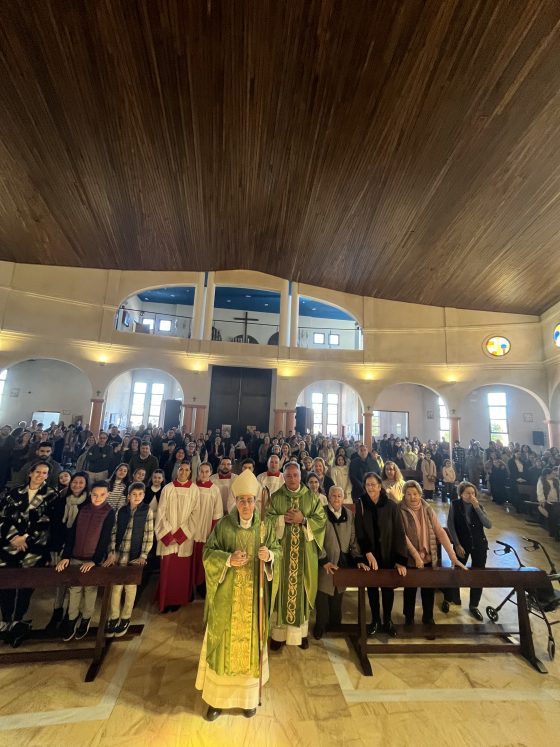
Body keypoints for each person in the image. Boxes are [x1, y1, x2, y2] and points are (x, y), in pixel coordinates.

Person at [195, 468, 280, 721]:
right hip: (226, 602)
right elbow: (208, 554)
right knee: (222, 647)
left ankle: (248, 699)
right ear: (236, 501)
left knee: (250, 649)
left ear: (256, 502)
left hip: (253, 603)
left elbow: (277, 551)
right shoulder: (224, 526)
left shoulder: (264, 528)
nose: (246, 505)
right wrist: (228, 560)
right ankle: (216, 701)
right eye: (241, 500)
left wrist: (270, 557)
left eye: (250, 500)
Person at [265, 462, 326, 649]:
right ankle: (278, 636)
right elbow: (266, 520)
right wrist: (280, 519)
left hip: (304, 556)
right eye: (288, 475)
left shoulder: (311, 498)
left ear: (301, 476)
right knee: (281, 591)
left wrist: (303, 520)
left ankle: (300, 635)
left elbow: (321, 521)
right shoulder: (275, 498)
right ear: (283, 477)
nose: (292, 479)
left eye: (295, 475)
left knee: (302, 591)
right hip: (281, 555)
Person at [0, 461, 57, 645]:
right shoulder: (15, 492)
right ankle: (6, 620)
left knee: (25, 586)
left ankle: (18, 620)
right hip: (9, 545)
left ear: (48, 476)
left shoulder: (51, 495)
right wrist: (13, 537)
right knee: (7, 583)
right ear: (31, 473)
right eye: (38, 472)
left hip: (33, 547)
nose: (41, 475)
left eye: (45, 473)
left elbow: (47, 522)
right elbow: (3, 516)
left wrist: (25, 538)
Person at [399, 480, 466, 625]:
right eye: (408, 494)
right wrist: (416, 556)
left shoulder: (427, 508)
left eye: (415, 494)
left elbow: (440, 532)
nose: (412, 497)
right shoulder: (400, 509)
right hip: (410, 558)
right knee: (410, 588)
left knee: (428, 588)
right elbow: (402, 536)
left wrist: (452, 556)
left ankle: (428, 617)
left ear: (420, 494)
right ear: (404, 495)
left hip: (429, 556)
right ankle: (409, 618)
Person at [56, 481, 115, 641]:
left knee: (90, 590)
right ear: (90, 494)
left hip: (92, 560)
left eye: (102, 495)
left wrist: (95, 561)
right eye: (95, 494)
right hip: (75, 556)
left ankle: (86, 619)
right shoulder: (83, 508)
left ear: (108, 495)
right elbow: (72, 533)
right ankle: (71, 619)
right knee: (74, 589)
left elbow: (104, 539)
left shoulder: (109, 512)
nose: (98, 498)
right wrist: (66, 556)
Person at [354, 472, 408, 637]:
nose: (371, 487)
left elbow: (399, 532)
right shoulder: (361, 503)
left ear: (379, 486)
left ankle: (388, 620)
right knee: (372, 588)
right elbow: (359, 530)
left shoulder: (391, 505)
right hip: (370, 553)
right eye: (368, 485)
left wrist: (400, 560)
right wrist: (367, 552)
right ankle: (375, 619)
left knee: (387, 588)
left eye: (373, 484)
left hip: (388, 552)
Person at [313, 486, 368, 639]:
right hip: (324, 563)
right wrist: (323, 559)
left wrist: (357, 558)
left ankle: (335, 624)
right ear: (328, 497)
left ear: (343, 498)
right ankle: (320, 625)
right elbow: (316, 539)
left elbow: (353, 540)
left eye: (339, 496)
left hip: (341, 564)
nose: (336, 498)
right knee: (322, 596)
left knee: (338, 596)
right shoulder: (320, 513)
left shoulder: (349, 515)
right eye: (333, 495)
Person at [103, 481, 155, 638]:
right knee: (116, 588)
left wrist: (143, 555)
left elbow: (148, 535)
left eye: (140, 494)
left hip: (134, 555)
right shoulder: (122, 511)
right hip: (119, 554)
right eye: (134, 494)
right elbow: (113, 531)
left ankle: (125, 617)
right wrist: (112, 552)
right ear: (129, 496)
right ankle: (113, 617)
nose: (137, 497)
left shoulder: (147, 511)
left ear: (144, 496)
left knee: (130, 588)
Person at [155, 462, 201, 612]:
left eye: (187, 469)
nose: (183, 472)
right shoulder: (168, 488)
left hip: (184, 538)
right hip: (168, 536)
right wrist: (169, 535)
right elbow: (161, 512)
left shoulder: (194, 490)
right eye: (181, 469)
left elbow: (196, 514)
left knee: (181, 572)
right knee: (167, 570)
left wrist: (181, 535)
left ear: (190, 472)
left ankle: (179, 599)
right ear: (177, 470)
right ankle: (165, 601)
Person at [46, 470, 89, 630]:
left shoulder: (88, 504)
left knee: (73, 582)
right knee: (60, 582)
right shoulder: (61, 500)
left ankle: (69, 614)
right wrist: (58, 546)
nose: (77, 485)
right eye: (75, 482)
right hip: (60, 545)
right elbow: (56, 525)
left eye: (81, 483)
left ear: (85, 485)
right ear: (70, 483)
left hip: (78, 548)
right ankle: (57, 610)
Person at [446, 481, 492, 620]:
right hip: (462, 544)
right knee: (457, 571)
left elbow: (488, 524)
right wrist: (457, 544)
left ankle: (474, 605)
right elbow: (451, 526)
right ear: (461, 494)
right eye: (467, 493)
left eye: (473, 493)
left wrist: (477, 507)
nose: (471, 495)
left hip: (479, 545)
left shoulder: (478, 506)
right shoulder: (455, 505)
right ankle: (452, 598)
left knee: (478, 575)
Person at [193, 462, 224, 597]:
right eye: (202, 471)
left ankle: (201, 585)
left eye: (206, 471)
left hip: (206, 528)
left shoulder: (214, 489)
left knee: (204, 558)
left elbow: (217, 512)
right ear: (198, 472)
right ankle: (190, 585)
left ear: (211, 472)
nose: (204, 474)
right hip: (193, 528)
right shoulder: (193, 488)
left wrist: (213, 531)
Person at [536, 467, 560, 537]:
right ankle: (555, 533)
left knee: (554, 514)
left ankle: (553, 532)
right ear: (547, 474)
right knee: (553, 513)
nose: (554, 474)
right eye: (552, 473)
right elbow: (539, 491)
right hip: (547, 501)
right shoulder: (541, 480)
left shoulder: (556, 480)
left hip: (557, 501)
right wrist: (542, 500)